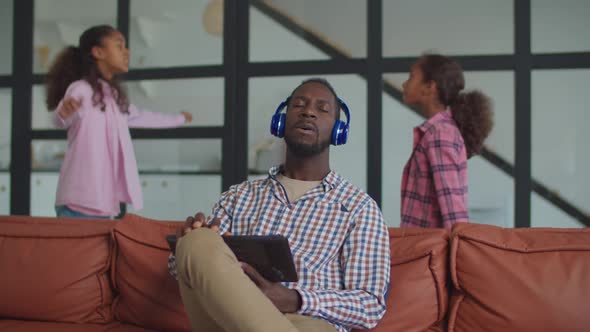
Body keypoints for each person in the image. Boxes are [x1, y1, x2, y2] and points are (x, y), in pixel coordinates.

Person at [169, 78, 390, 332]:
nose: (308, 112)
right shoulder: (238, 197)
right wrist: (187, 246)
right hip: (233, 319)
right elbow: (188, 272)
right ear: (281, 122)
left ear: (339, 131)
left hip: (308, 324)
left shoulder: (359, 208)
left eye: (322, 109)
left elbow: (370, 305)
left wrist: (295, 299)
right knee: (198, 241)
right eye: (299, 104)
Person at [45, 25, 193, 219]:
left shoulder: (113, 96)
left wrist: (179, 118)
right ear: (98, 52)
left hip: (105, 204)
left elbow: (143, 116)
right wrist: (64, 111)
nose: (127, 51)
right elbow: (61, 119)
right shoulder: (81, 89)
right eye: (119, 46)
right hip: (77, 203)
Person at [400, 54, 493, 229]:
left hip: (429, 252)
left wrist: (459, 253)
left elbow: (453, 207)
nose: (404, 84)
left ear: (430, 86)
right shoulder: (438, 132)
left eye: (412, 77)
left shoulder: (440, 134)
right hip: (423, 249)